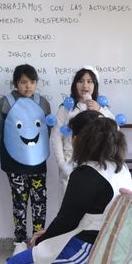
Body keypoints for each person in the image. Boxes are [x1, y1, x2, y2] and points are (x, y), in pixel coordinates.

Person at [6, 112, 132, 264]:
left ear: (84, 140)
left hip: (86, 254)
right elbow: (74, 219)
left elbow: (66, 221)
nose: (72, 140)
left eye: (73, 135)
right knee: (39, 260)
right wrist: (46, 238)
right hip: (110, 251)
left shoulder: (85, 175)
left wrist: (41, 240)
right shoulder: (120, 168)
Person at [0, 64, 52, 246]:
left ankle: (38, 240)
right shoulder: (5, 102)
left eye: (32, 82)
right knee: (19, 203)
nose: (28, 86)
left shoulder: (43, 102)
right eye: (23, 82)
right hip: (14, 163)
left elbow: (47, 131)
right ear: (15, 83)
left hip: (38, 162)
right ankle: (20, 241)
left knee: (40, 202)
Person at [51, 67, 114, 200]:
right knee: (69, 210)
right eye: (80, 81)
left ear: (95, 85)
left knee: (91, 210)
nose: (85, 85)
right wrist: (63, 165)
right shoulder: (65, 108)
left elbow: (115, 131)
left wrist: (100, 110)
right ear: (75, 84)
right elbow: (56, 138)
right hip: (71, 165)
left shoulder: (101, 108)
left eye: (89, 81)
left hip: (95, 168)